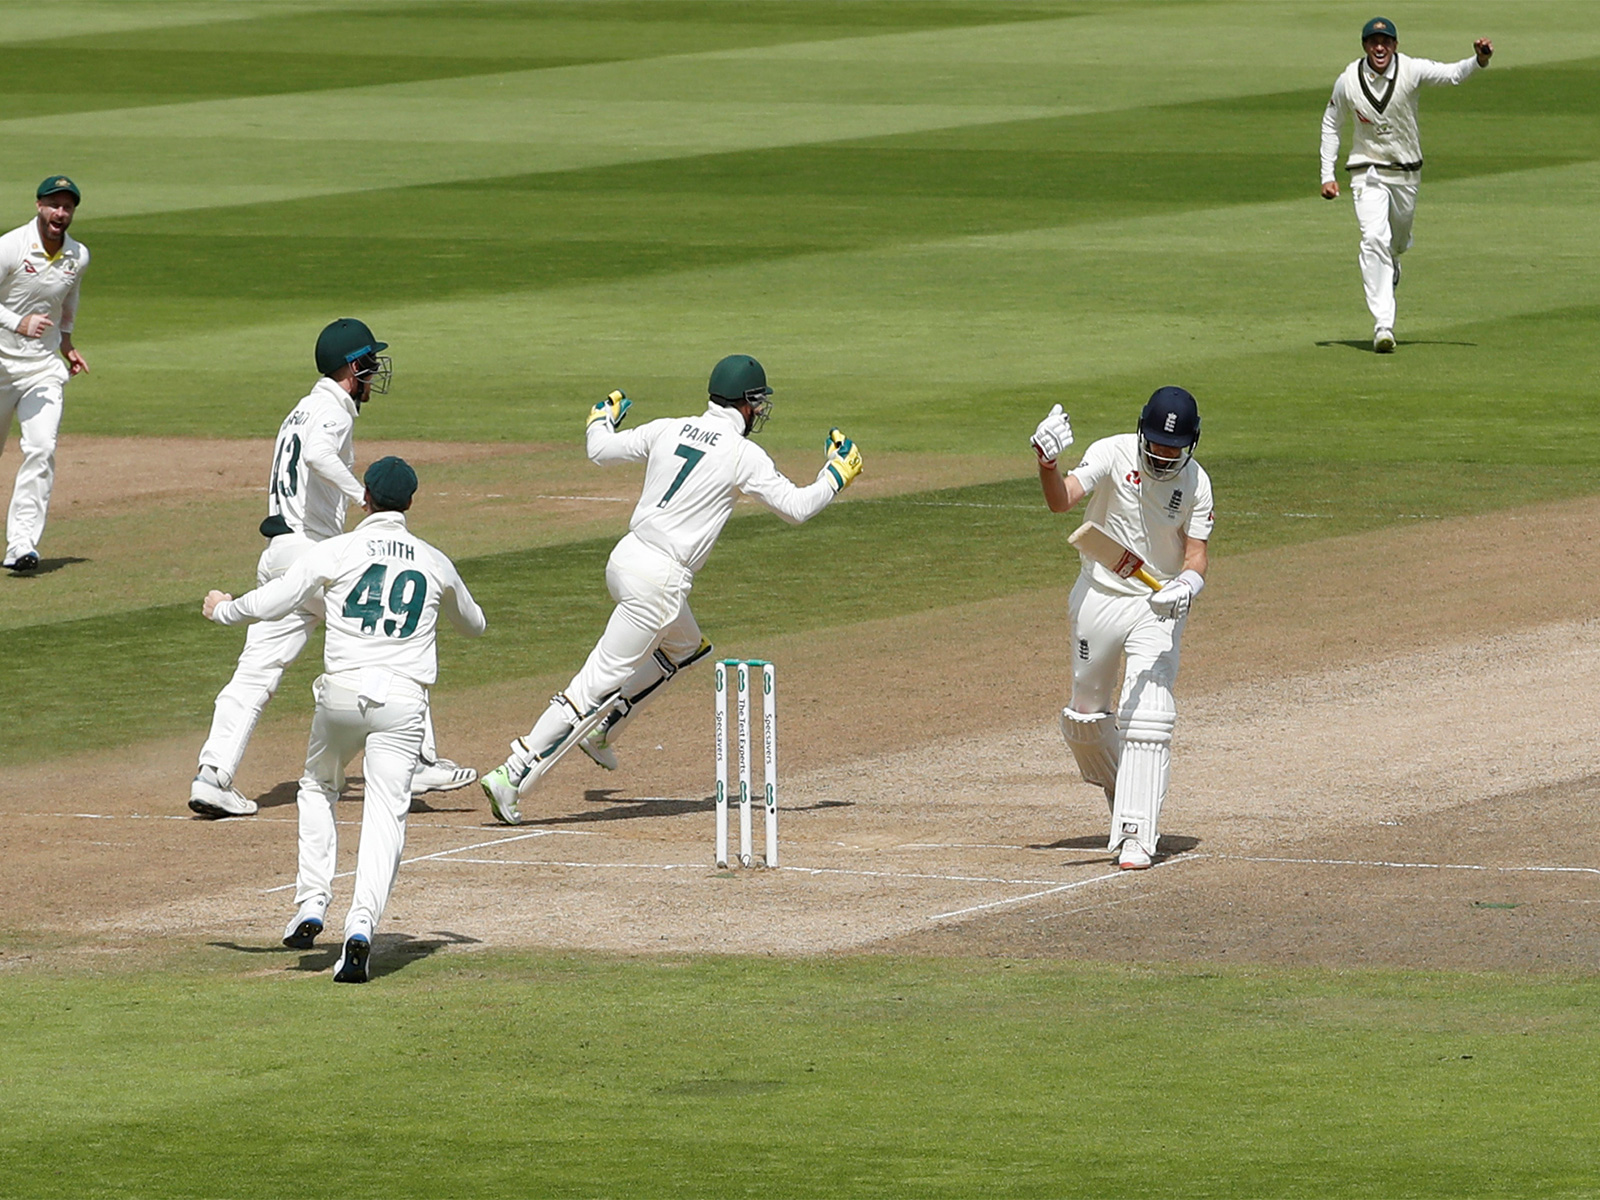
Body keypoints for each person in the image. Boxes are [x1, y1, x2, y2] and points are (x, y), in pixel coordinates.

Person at [480, 354, 863, 825]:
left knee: (686, 645)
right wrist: (836, 474)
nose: (759, 412)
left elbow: (600, 449)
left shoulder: (669, 428)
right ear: (744, 403)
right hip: (659, 582)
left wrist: (601, 416)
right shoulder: (743, 455)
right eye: (757, 403)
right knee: (592, 685)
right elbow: (797, 507)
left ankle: (604, 729)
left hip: (626, 558)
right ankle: (513, 770)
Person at [202, 457, 486, 983]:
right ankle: (360, 928)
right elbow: (475, 624)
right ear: (410, 504)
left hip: (341, 694)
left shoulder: (337, 549)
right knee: (385, 817)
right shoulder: (434, 559)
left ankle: (312, 903)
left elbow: (275, 600)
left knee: (316, 787)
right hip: (404, 704)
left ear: (366, 500)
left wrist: (223, 608)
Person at [189, 319, 475, 818]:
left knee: (257, 669)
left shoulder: (302, 408)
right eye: (369, 364)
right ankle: (421, 761)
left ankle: (213, 774)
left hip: (280, 550)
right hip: (310, 551)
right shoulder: (334, 411)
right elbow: (321, 455)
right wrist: (358, 494)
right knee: (385, 633)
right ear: (352, 367)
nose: (373, 375)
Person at [1031, 388, 1214, 870]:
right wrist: (1048, 465)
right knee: (1084, 719)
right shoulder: (1111, 452)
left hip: (1158, 603)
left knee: (1148, 709)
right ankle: (1123, 785)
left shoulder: (1196, 483)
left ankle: (1137, 833)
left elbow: (1196, 556)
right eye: (1156, 444)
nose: (1164, 455)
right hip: (1098, 594)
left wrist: (1188, 586)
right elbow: (1062, 502)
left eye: (1174, 448)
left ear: (1191, 444)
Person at [1319, 17, 1494, 353]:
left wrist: (1479, 60)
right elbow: (1331, 123)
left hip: (1406, 173)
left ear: (1395, 45)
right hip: (1366, 170)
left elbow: (1452, 74)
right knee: (1373, 238)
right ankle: (1383, 325)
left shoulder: (1411, 70)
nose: (1379, 47)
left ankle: (1395, 258)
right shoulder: (1348, 80)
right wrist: (1327, 174)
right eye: (1373, 42)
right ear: (1365, 46)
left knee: (1395, 241)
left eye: (1385, 41)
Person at [1, 176, 90, 572]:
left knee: (41, 449)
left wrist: (66, 342)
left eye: (67, 206)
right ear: (39, 206)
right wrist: (17, 323)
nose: (61, 213)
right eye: (54, 204)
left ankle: (21, 545)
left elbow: (68, 299)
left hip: (42, 369)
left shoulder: (77, 255)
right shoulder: (11, 247)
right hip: (1, 366)